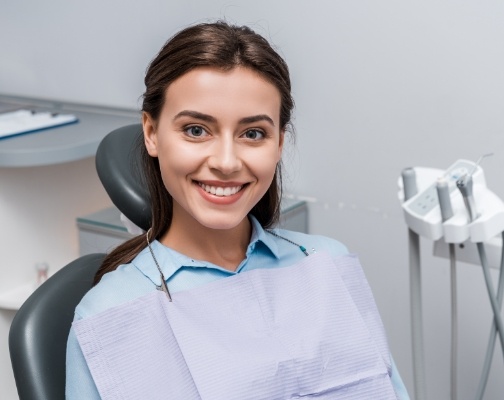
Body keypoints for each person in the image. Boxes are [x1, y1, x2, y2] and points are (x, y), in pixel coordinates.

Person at [66, 21, 409, 399]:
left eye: (253, 133)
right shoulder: (110, 313)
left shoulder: (326, 264)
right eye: (196, 130)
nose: (227, 162)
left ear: (279, 142)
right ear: (151, 132)